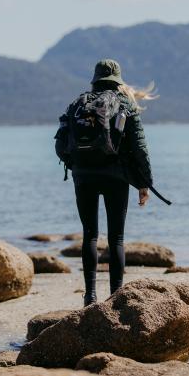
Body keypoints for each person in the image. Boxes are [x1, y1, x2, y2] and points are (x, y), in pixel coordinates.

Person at [55, 58, 156, 306]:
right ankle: (116, 296)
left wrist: (77, 167)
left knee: (89, 235)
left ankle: (90, 296)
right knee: (116, 238)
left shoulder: (77, 104)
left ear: (95, 79)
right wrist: (144, 183)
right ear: (117, 80)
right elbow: (140, 147)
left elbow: (60, 145)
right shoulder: (124, 103)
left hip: (83, 177)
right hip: (115, 177)